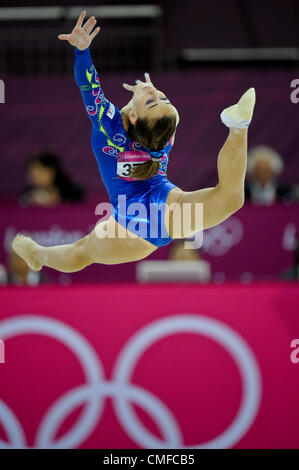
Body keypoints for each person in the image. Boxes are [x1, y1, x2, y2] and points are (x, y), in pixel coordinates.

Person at [12, 11, 255, 274]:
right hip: (158, 212)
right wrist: (150, 95)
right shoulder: (161, 128)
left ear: (133, 116)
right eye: (163, 97)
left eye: (155, 100)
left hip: (138, 218)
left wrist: (82, 52)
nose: (156, 94)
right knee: (230, 199)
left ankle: (39, 255)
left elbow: (89, 87)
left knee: (81, 252)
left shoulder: (110, 126)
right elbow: (158, 116)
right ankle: (238, 127)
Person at [19, 151, 85, 207]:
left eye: (40, 170)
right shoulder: (29, 192)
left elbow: (78, 195)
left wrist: (58, 198)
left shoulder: (68, 189)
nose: (34, 175)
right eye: (32, 171)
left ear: (53, 171)